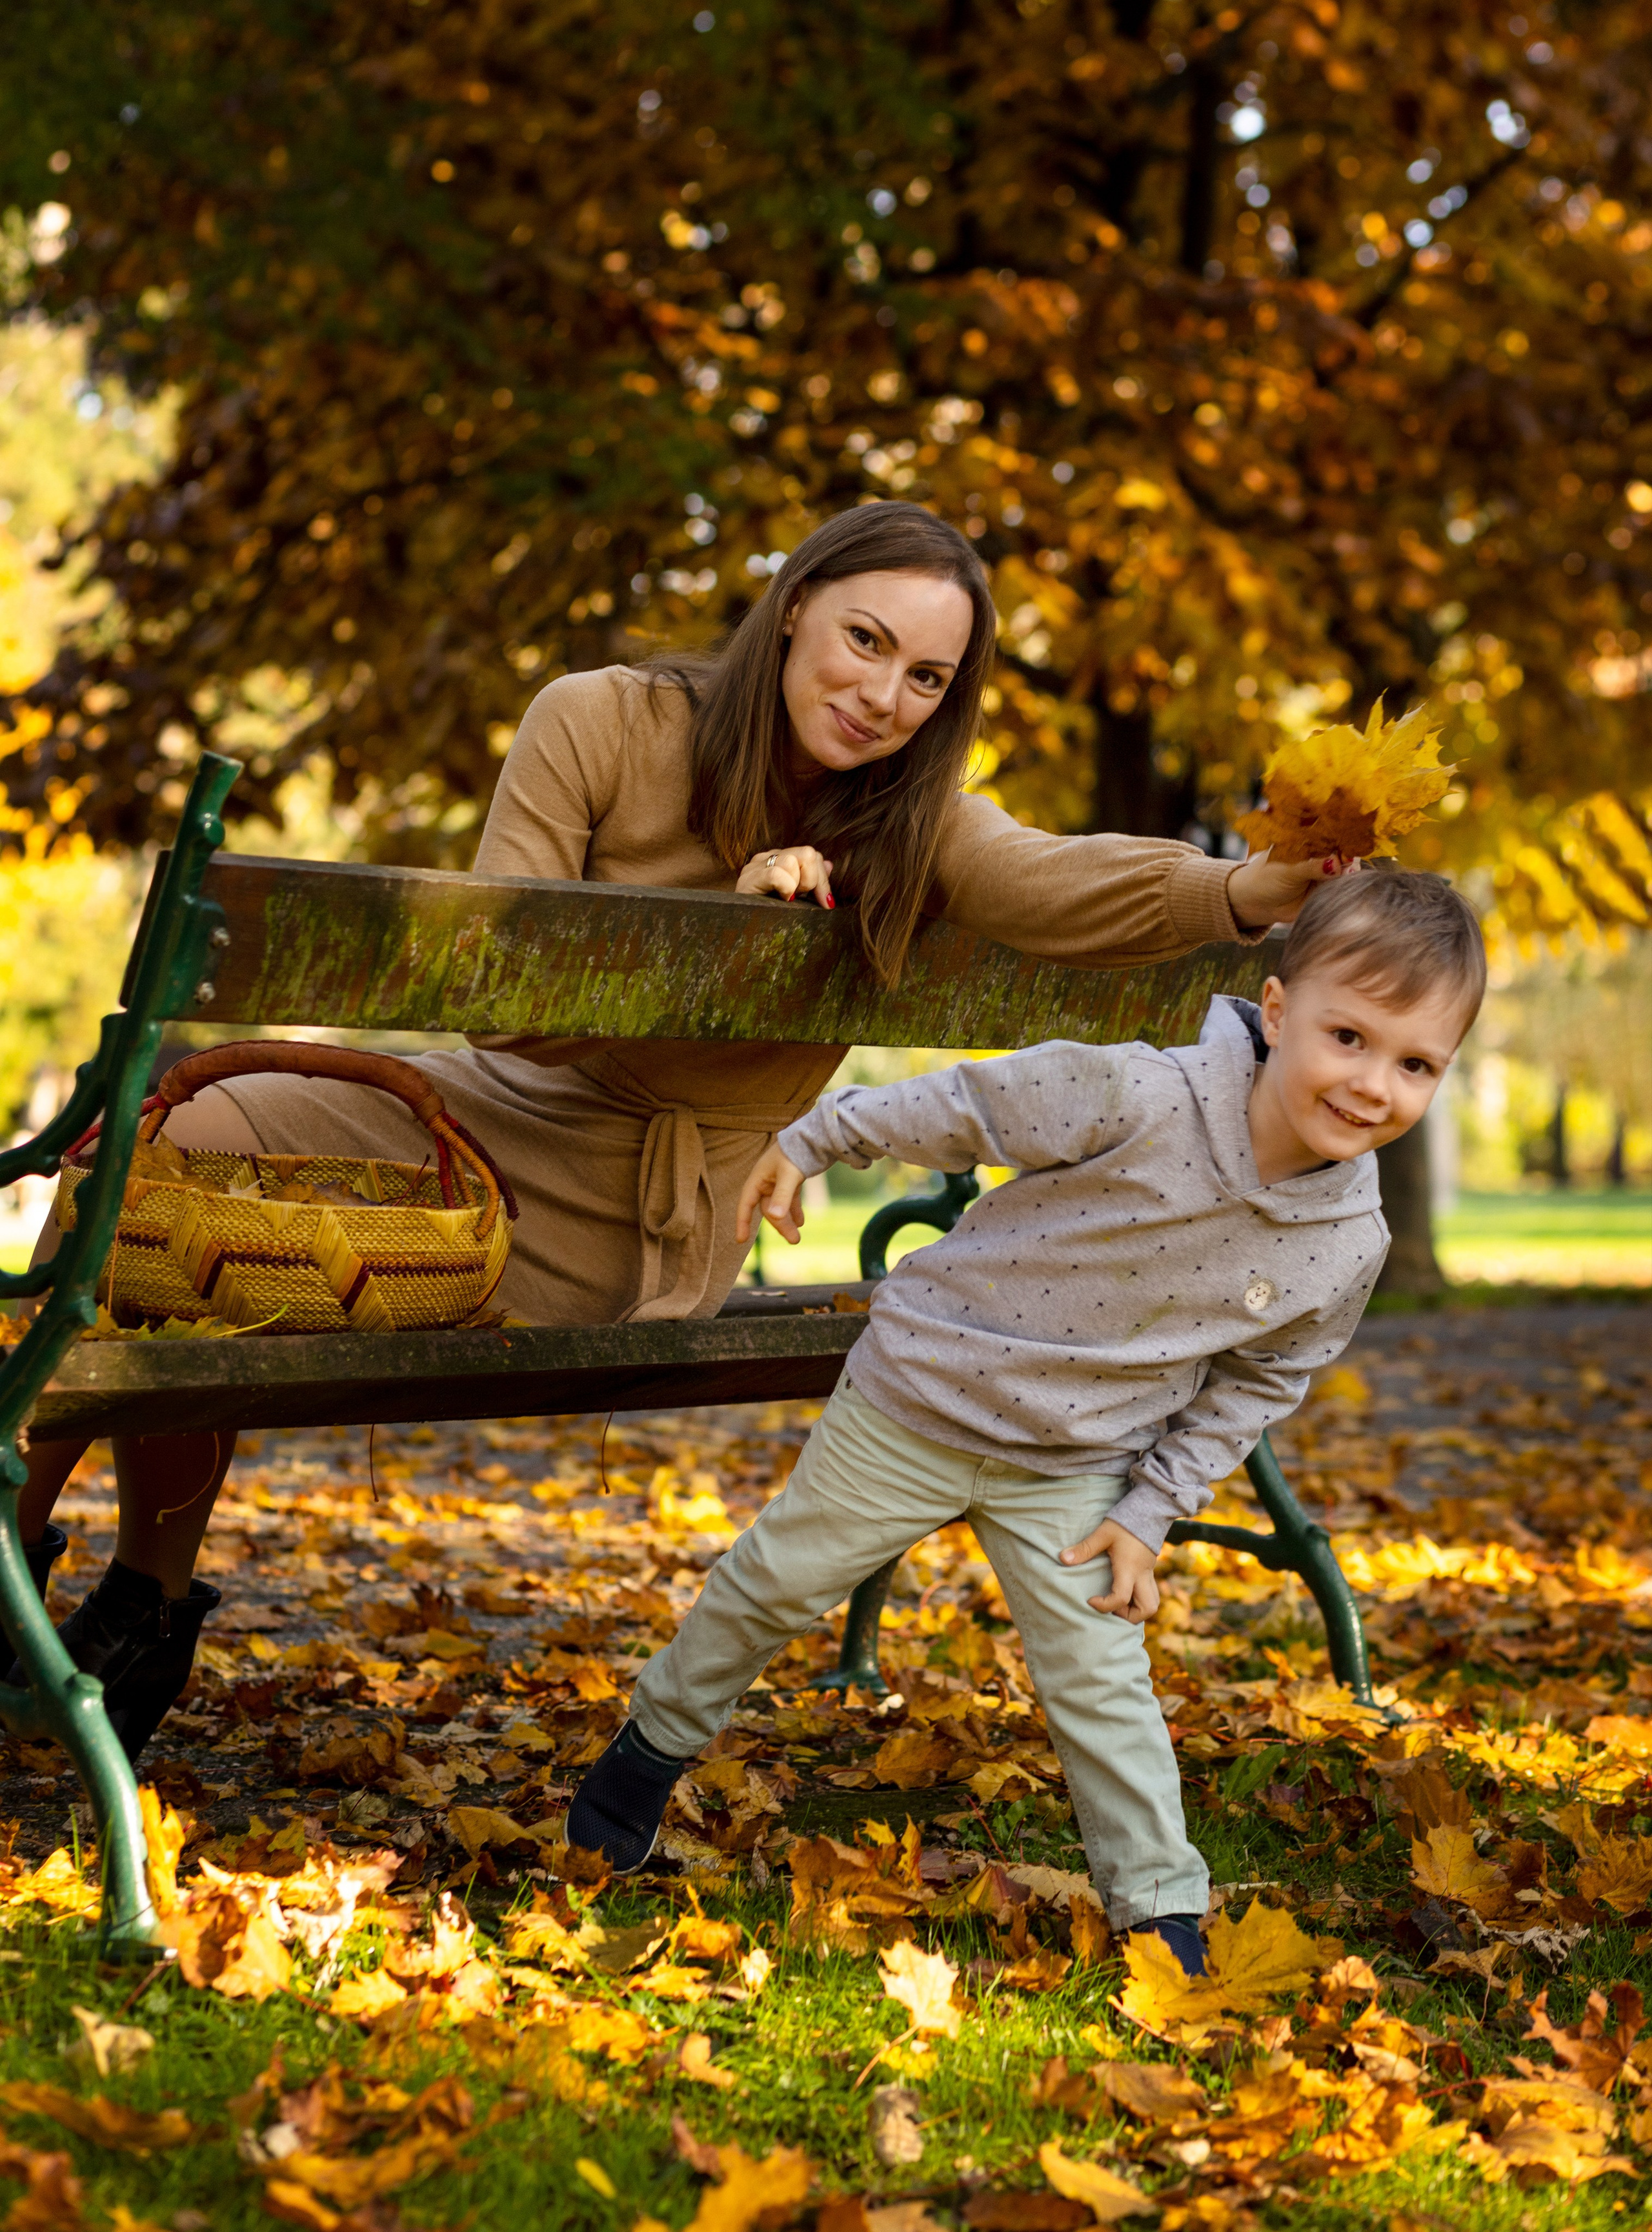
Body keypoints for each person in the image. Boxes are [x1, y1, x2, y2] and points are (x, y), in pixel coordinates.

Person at [19, 502, 1349, 1758]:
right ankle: (129, 1598)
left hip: (641, 1221)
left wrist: (1242, 888)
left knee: (168, 1242)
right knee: (135, 1175)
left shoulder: (913, 820)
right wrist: (723, 925)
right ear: (790, 612)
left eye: (927, 678)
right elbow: (497, 1009)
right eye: (865, 641)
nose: (884, 695)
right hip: (493, 1115)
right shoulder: (598, 720)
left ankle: (93, 1611)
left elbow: (1055, 880)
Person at [566, 869, 1487, 1971]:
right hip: (923, 1392)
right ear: (1280, 1013)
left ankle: (1161, 1910)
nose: (1372, 1083)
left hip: (1076, 1462)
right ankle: (646, 1750)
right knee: (774, 1583)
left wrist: (1151, 1512)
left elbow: (1258, 1383)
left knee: (1105, 1679)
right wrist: (820, 1137)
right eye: (1349, 1035)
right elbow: (974, 1105)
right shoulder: (1145, 1091)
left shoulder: (1348, 1238)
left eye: (1416, 1063)